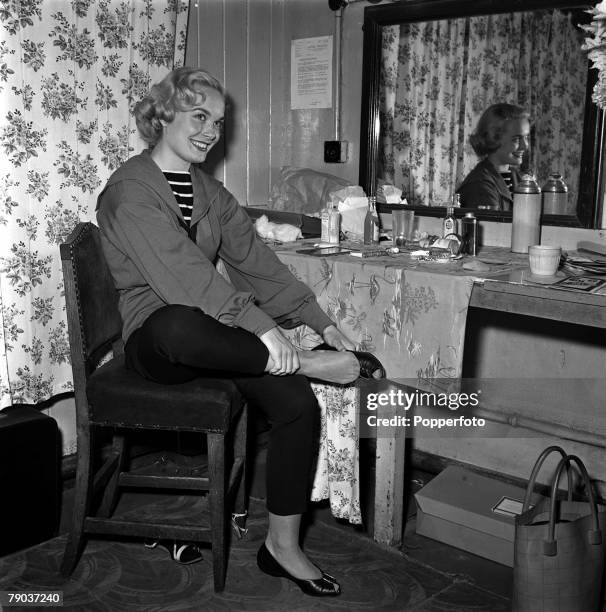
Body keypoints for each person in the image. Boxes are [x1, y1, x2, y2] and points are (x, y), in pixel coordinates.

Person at [96, 67, 385, 597]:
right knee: (180, 322)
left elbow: (256, 263)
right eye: (198, 116)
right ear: (162, 116)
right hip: (158, 342)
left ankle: (283, 546)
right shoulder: (128, 191)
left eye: (218, 121)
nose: (210, 130)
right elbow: (183, 277)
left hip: (221, 336)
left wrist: (321, 322)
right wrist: (268, 334)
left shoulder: (210, 191)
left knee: (298, 404)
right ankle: (306, 361)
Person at [456, 103, 530, 211]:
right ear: (494, 138)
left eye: (526, 137)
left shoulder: (516, 178)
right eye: (516, 139)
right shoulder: (480, 187)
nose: (525, 145)